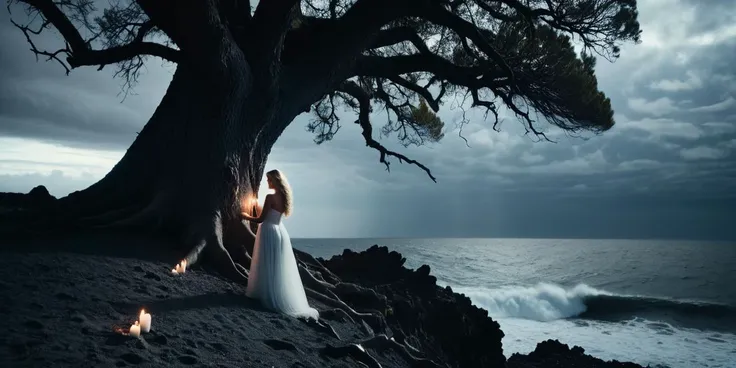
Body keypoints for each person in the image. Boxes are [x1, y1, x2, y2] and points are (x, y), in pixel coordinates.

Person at [240, 169, 319, 320]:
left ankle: (267, 294)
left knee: (266, 263)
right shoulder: (284, 197)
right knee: (275, 265)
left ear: (275, 180)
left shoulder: (270, 196)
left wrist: (245, 216)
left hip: (268, 231)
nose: (267, 182)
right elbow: (270, 215)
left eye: (269, 180)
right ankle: (274, 293)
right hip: (279, 232)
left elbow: (260, 219)